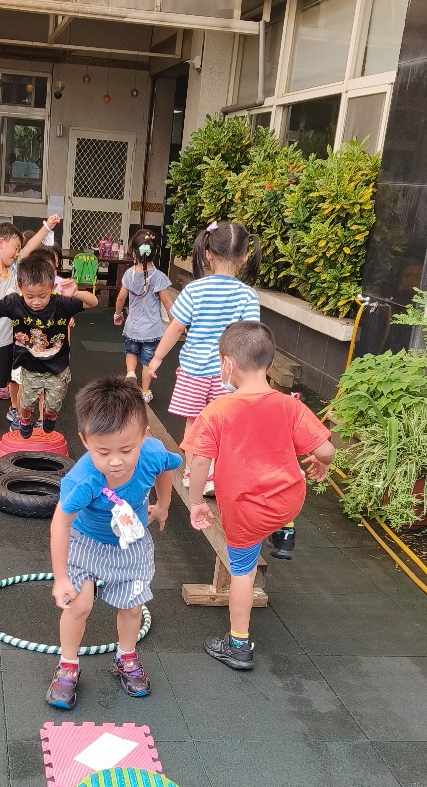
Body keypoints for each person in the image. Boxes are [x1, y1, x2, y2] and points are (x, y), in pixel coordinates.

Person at [182, 322, 334, 670]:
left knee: (243, 573)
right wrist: (321, 463)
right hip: (288, 500)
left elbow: (199, 460)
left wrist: (196, 503)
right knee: (286, 487)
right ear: (269, 363)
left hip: (246, 510)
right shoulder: (290, 406)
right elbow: (326, 450)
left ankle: (238, 645)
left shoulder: (217, 411)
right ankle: (285, 533)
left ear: (228, 365)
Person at [46, 377, 181, 710]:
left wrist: (164, 505)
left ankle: (125, 657)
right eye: (103, 452)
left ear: (143, 436)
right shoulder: (83, 480)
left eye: (126, 450)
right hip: (86, 543)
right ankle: (68, 665)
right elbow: (60, 523)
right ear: (85, 440)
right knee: (79, 605)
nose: (116, 461)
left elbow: (166, 467)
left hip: (131, 543)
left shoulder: (151, 453)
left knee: (132, 607)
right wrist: (60, 577)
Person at [148, 220, 262, 498]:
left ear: (208, 253)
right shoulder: (247, 295)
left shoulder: (194, 290)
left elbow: (176, 327)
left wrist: (157, 358)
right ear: (245, 256)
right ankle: (215, 475)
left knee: (195, 423)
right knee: (223, 426)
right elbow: (250, 337)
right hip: (229, 374)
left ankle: (193, 471)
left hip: (194, 371)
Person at [0, 251, 96, 439]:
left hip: (58, 367)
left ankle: (49, 415)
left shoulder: (61, 303)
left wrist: (76, 293)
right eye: (30, 296)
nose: (36, 302)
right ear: (20, 288)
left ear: (52, 287)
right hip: (30, 366)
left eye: (42, 296)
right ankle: (25, 418)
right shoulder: (15, 302)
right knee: (26, 403)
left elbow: (93, 302)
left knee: (53, 404)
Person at [0, 215, 59, 430]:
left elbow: (31, 246)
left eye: (18, 249)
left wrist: (47, 226)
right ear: (0, 243)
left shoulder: (15, 267)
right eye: (15, 247)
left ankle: (15, 409)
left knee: (16, 377)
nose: (17, 253)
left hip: (16, 337)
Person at [113, 229, 172, 404]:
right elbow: (167, 302)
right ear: (155, 252)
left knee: (131, 352)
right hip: (152, 330)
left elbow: (121, 298)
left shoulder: (129, 274)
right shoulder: (159, 277)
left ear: (133, 252)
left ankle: (131, 373)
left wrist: (117, 313)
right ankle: (145, 390)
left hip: (133, 327)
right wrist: (174, 321)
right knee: (148, 361)